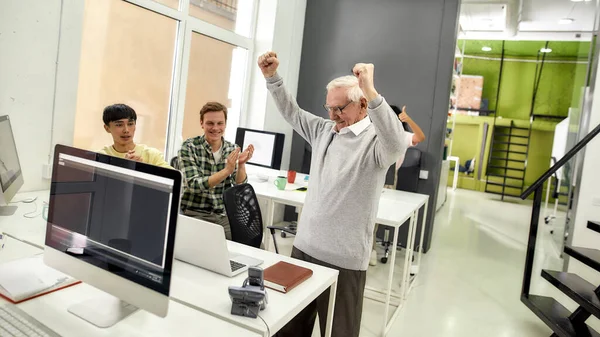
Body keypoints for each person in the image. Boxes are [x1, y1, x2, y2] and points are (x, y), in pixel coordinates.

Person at [258, 51, 408, 337]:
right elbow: (292, 112)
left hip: (345, 261)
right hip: (304, 249)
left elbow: (397, 142)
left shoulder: (376, 145)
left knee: (340, 332)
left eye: (340, 109)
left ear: (363, 104)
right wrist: (272, 78)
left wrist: (371, 89)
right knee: (289, 329)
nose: (333, 116)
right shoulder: (323, 130)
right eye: (329, 108)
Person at [178, 101, 254, 240]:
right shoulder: (189, 147)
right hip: (195, 213)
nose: (215, 128)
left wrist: (241, 165)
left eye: (220, 123)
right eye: (210, 123)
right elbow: (195, 185)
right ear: (201, 123)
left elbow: (238, 185)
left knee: (251, 243)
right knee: (211, 247)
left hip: (222, 214)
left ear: (225, 124)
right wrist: (226, 171)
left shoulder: (231, 148)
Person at [370, 105, 426, 266]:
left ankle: (371, 251)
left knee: (375, 218)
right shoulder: (374, 131)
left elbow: (420, 137)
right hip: (371, 174)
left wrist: (408, 119)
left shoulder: (402, 136)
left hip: (387, 181)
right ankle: (367, 251)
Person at [99, 103, 172, 168]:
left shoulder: (152, 155)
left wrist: (143, 168)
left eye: (130, 124)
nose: (126, 130)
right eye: (119, 125)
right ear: (107, 128)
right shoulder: (100, 157)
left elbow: (173, 180)